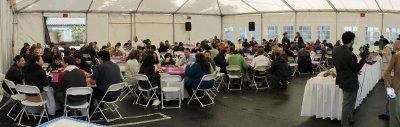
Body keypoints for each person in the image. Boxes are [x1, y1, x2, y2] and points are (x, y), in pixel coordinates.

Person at [333, 31, 369, 127]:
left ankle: (349, 118)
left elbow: (339, 63)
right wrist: (364, 58)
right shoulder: (350, 55)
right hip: (350, 83)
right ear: (352, 40)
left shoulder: (335, 50)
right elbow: (356, 69)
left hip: (341, 80)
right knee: (347, 104)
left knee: (349, 102)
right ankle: (344, 124)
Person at [383, 40, 400, 126]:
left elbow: (386, 74)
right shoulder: (396, 56)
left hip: (395, 87)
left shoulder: (396, 56)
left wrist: (389, 91)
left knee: (395, 115)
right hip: (395, 87)